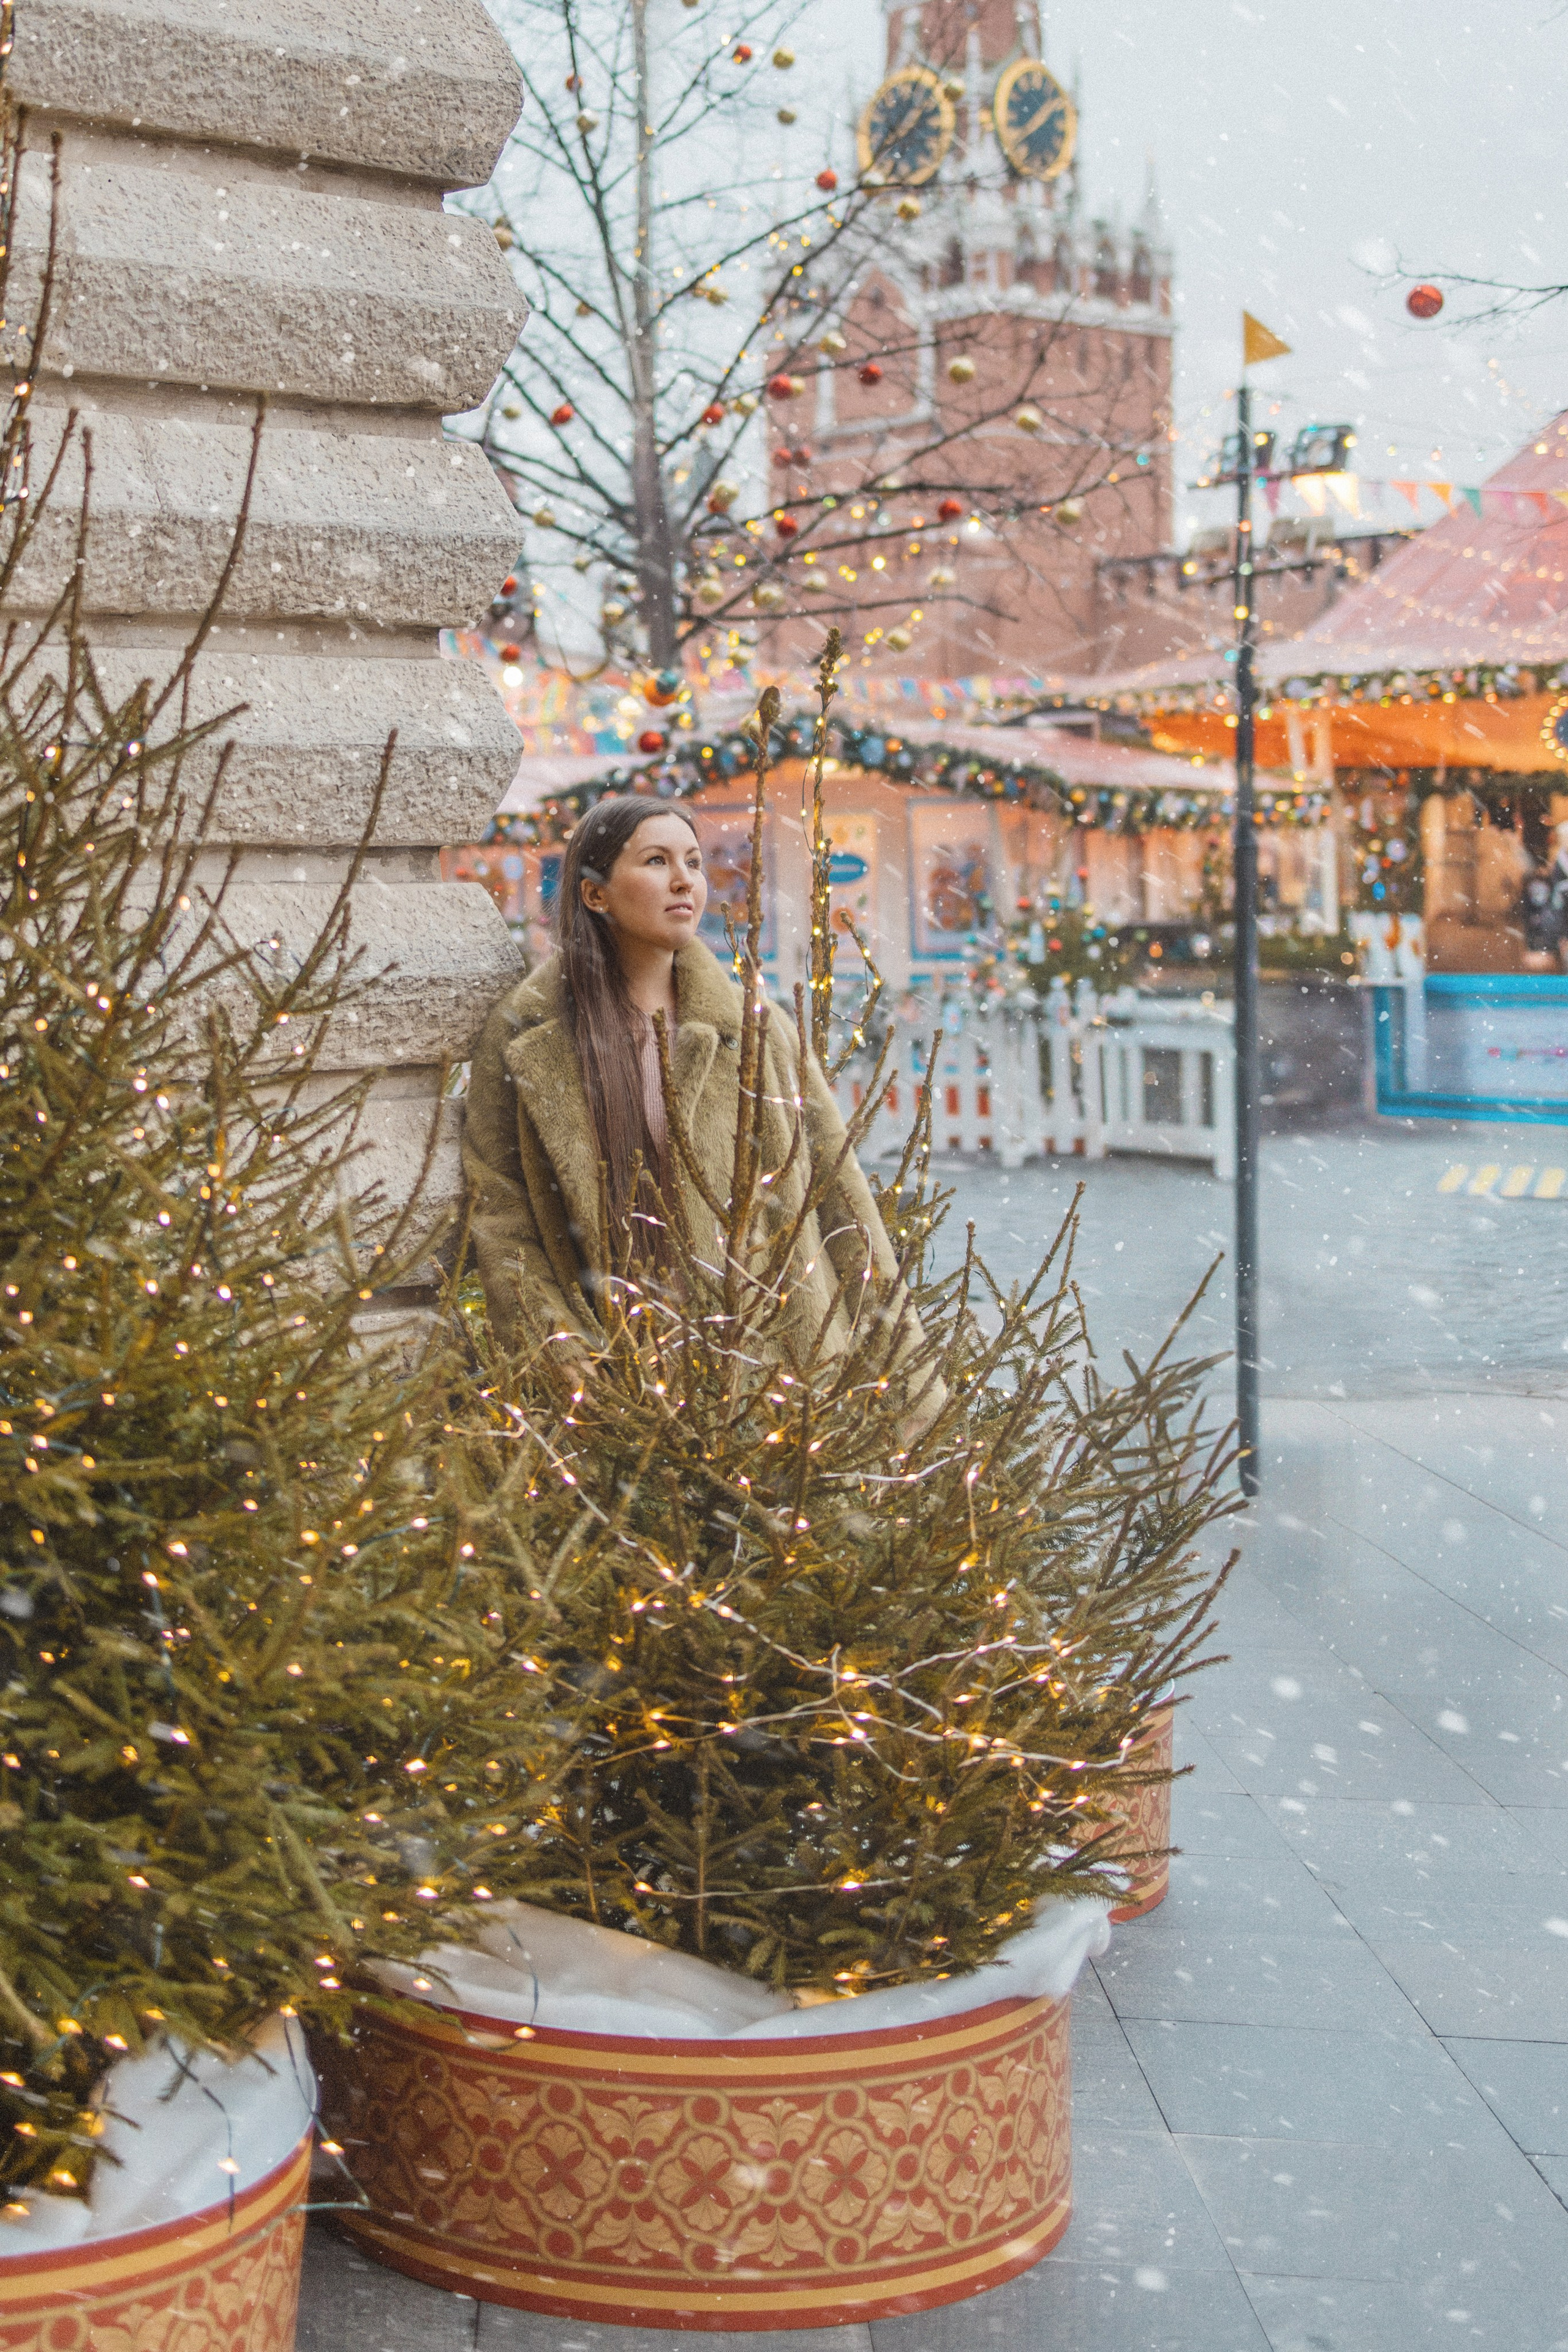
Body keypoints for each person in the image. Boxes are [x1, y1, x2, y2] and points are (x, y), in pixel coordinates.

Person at [463, 796, 916, 1378]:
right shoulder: (527, 1037)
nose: (686, 881)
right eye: (656, 861)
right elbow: (503, 1216)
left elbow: (844, 1205)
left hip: (776, 1376)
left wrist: (907, 1387)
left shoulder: (756, 1029)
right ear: (594, 893)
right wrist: (557, 1349)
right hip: (616, 1383)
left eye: (695, 863)